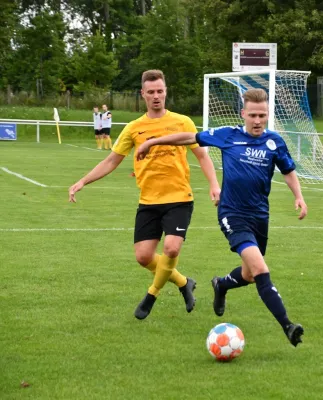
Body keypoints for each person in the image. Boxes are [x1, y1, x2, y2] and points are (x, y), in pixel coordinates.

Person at [135, 88, 308, 347]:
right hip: (232, 214)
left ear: (267, 115)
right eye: (253, 115)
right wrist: (152, 142)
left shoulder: (275, 142)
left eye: (262, 115)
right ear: (243, 114)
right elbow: (189, 137)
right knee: (261, 269)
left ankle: (222, 285)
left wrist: (299, 196)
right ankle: (288, 326)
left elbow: (288, 171)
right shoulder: (228, 135)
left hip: (260, 217)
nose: (258, 120)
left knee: (250, 275)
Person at [68, 69, 221, 320]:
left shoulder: (183, 122)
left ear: (166, 91)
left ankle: (151, 295)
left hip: (179, 198)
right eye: (151, 92)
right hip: (148, 201)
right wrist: (83, 181)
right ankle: (184, 283)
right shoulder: (134, 128)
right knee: (143, 257)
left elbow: (202, 155)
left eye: (160, 91)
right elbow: (111, 161)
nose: (156, 96)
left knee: (171, 249)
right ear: (143, 94)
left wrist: (214, 184)